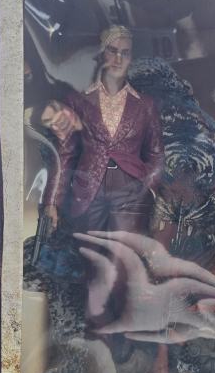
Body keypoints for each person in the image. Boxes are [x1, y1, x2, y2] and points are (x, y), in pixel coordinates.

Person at [38, 25, 164, 236]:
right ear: (101, 54)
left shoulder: (145, 105)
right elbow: (65, 154)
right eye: (112, 51)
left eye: (125, 53)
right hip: (88, 192)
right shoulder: (78, 101)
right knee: (90, 250)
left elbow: (156, 154)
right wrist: (51, 202)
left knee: (123, 251)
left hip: (130, 192)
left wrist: (151, 190)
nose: (118, 59)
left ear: (131, 58)